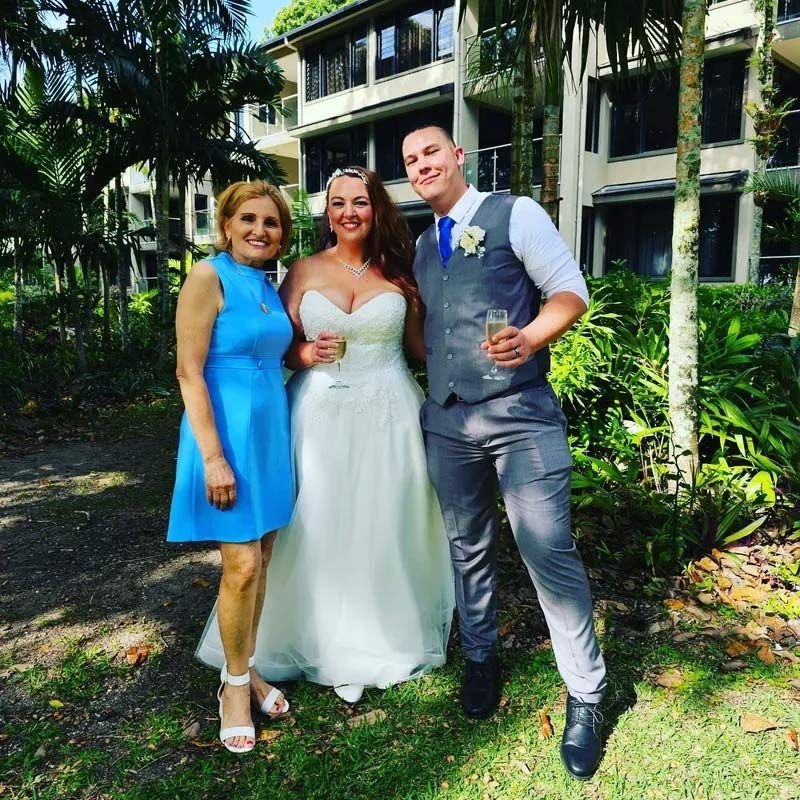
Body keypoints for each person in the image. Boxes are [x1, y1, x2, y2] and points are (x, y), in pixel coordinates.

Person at [198, 166, 454, 705]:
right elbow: (279, 347)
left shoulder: (400, 274)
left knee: (384, 520)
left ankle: (375, 637)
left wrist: (471, 337)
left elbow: (419, 349)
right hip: (317, 414)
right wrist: (307, 354)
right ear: (328, 213)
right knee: (316, 521)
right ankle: (300, 641)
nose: (348, 213)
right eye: (337, 203)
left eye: (359, 202)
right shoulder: (300, 271)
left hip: (388, 412)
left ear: (376, 208)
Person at [402, 125, 608, 780]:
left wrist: (532, 336)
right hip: (448, 421)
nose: (421, 164)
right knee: (467, 544)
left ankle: (587, 693)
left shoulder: (514, 212)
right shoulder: (419, 247)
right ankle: (483, 657)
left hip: (521, 414)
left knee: (547, 546)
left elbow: (570, 290)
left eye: (430, 151)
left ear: (458, 156)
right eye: (410, 161)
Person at [167, 181, 294, 754]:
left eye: (270, 223)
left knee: (261, 561)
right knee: (240, 566)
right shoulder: (206, 277)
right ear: (226, 223)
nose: (259, 231)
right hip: (225, 440)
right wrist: (213, 457)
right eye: (248, 219)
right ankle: (235, 690)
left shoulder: (266, 284)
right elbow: (189, 373)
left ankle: (244, 667)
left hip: (268, 436)